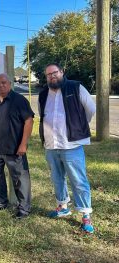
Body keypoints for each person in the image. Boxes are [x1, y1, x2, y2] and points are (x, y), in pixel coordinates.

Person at [39, 63, 96, 233]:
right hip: (51, 145)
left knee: (78, 181)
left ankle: (85, 215)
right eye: (48, 74)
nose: (52, 76)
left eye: (54, 73)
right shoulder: (43, 94)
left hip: (71, 145)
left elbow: (90, 110)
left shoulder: (76, 87)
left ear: (62, 72)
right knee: (57, 178)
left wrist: (78, 126)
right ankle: (63, 206)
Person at [0, 73, 34, 219]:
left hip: (15, 148)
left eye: (4, 82)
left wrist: (23, 144)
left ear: (10, 84)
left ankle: (24, 209)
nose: (1, 85)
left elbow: (29, 122)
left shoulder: (19, 100)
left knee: (20, 179)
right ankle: (0, 203)